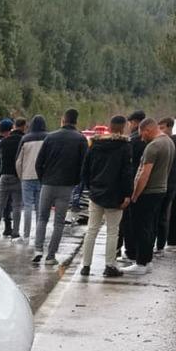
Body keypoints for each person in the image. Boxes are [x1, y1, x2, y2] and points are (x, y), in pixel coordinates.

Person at [77, 116, 132, 279]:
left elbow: (85, 169)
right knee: (112, 232)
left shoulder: (95, 144)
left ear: (109, 127)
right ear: (122, 128)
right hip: (115, 195)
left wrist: (91, 187)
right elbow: (126, 173)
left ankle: (85, 265)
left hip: (96, 193)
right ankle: (109, 265)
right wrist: (127, 194)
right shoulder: (125, 147)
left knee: (91, 230)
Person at [32, 108, 87, 266]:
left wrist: (43, 179)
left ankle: (37, 250)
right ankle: (50, 256)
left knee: (42, 218)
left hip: (48, 184)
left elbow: (38, 163)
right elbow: (83, 166)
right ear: (76, 121)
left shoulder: (50, 137)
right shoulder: (81, 139)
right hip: (66, 186)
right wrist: (75, 181)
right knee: (59, 222)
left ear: (63, 120)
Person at [127, 117, 175, 274]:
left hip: (148, 192)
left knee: (141, 227)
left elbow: (144, 174)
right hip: (161, 190)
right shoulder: (169, 142)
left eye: (142, 134)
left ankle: (141, 263)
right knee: (150, 226)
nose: (141, 138)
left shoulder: (153, 146)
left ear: (147, 130)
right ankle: (147, 261)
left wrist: (135, 195)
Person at [155, 121, 176, 253]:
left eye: (162, 128)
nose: (160, 130)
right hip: (173, 184)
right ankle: (160, 246)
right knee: (162, 216)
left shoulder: (168, 144)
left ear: (170, 127)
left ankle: (158, 246)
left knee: (158, 216)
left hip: (164, 183)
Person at [0, 118, 23, 241]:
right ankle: (15, 232)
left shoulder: (2, 142)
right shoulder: (21, 141)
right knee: (17, 206)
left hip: (3, 176)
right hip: (16, 176)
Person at [120, 109, 146, 261]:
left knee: (128, 221)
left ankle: (130, 251)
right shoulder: (147, 139)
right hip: (144, 185)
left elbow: (128, 166)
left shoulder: (134, 141)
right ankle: (135, 251)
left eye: (130, 123)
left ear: (135, 123)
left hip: (133, 183)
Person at [17, 114, 47, 241]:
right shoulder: (48, 138)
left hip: (27, 177)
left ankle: (26, 235)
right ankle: (39, 235)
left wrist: (21, 176)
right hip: (42, 178)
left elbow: (19, 161)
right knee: (40, 207)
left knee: (28, 206)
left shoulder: (25, 139)